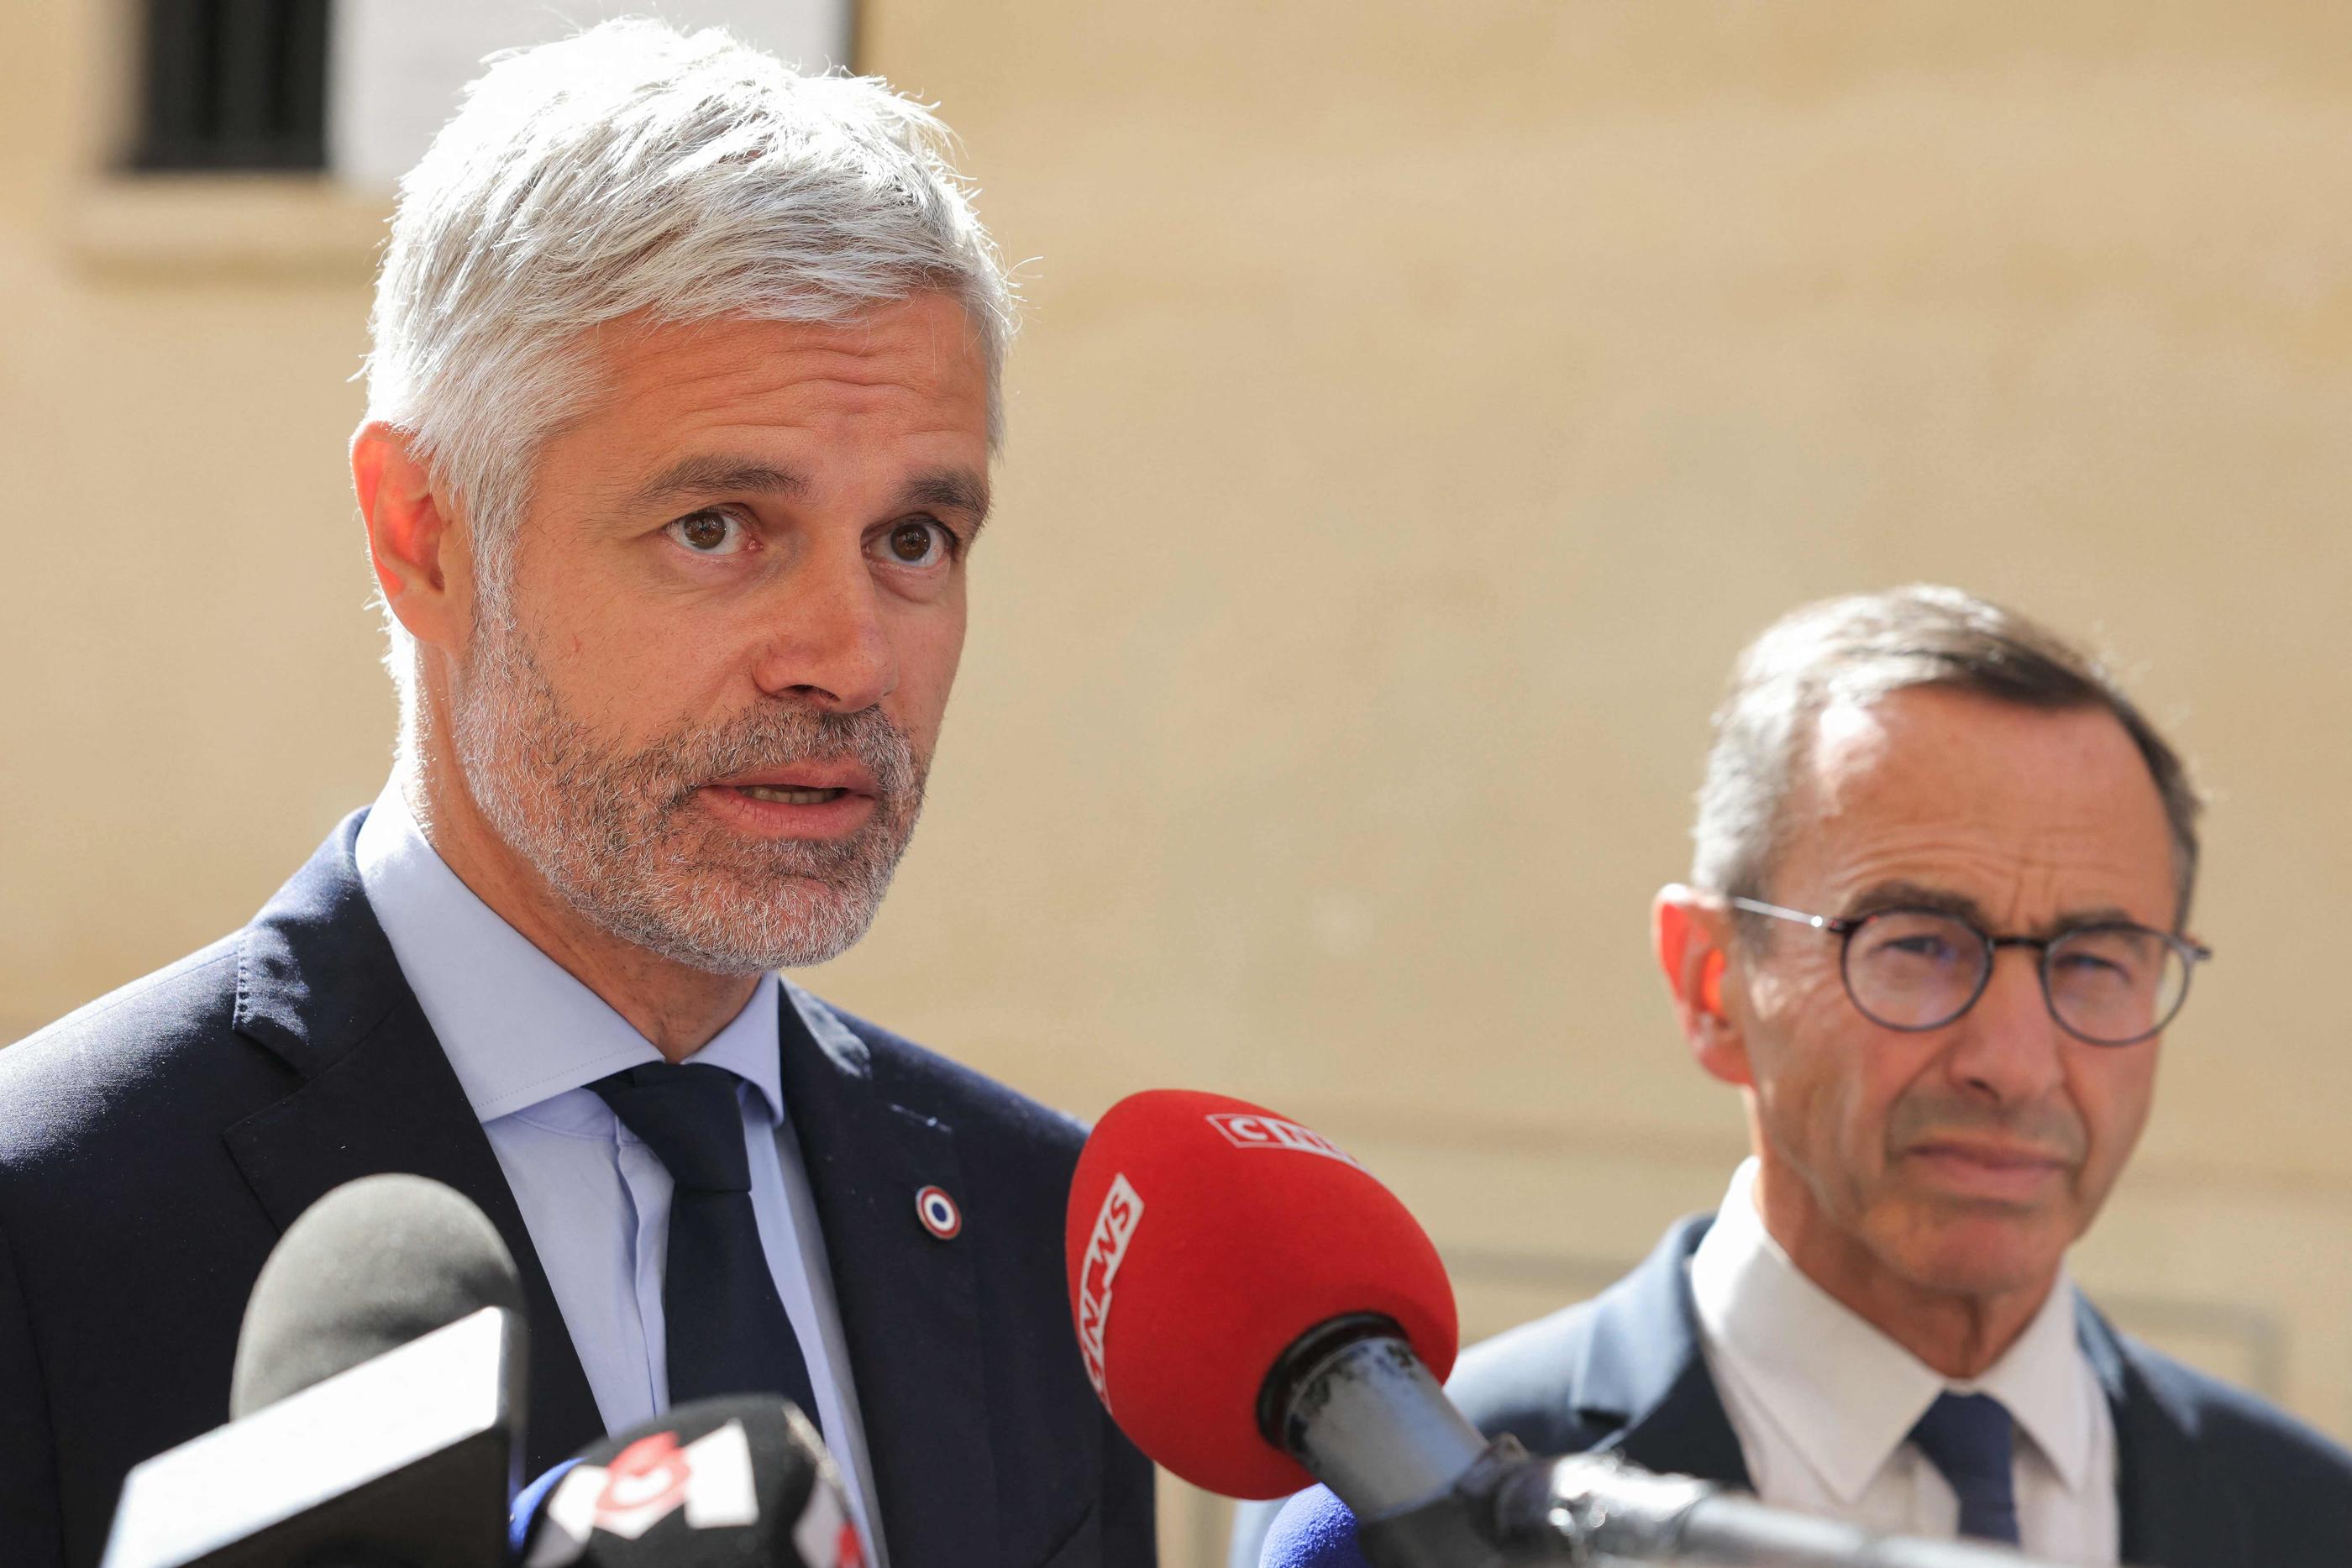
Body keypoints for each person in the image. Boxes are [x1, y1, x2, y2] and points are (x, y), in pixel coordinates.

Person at [0, 22, 1152, 1568]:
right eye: (718, 526)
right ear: (423, 533)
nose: (848, 659)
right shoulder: (49, 1226)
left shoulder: (1044, 1233)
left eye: (915, 540)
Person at [1243, 586, 2352, 1567]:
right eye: (1918, 944)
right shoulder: (1414, 1507)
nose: (2014, 1066)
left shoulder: (2310, 1519)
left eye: (2097, 961)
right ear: (1712, 983)